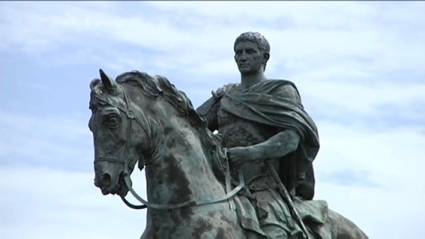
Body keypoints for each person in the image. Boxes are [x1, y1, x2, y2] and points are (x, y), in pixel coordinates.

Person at [196, 32, 321, 239]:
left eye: (249, 52)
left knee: (275, 233)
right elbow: (192, 126)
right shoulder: (226, 96)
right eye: (238, 52)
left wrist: (247, 153)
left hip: (263, 184)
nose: (242, 57)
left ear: (264, 58)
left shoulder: (281, 91)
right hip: (220, 181)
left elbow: (290, 139)